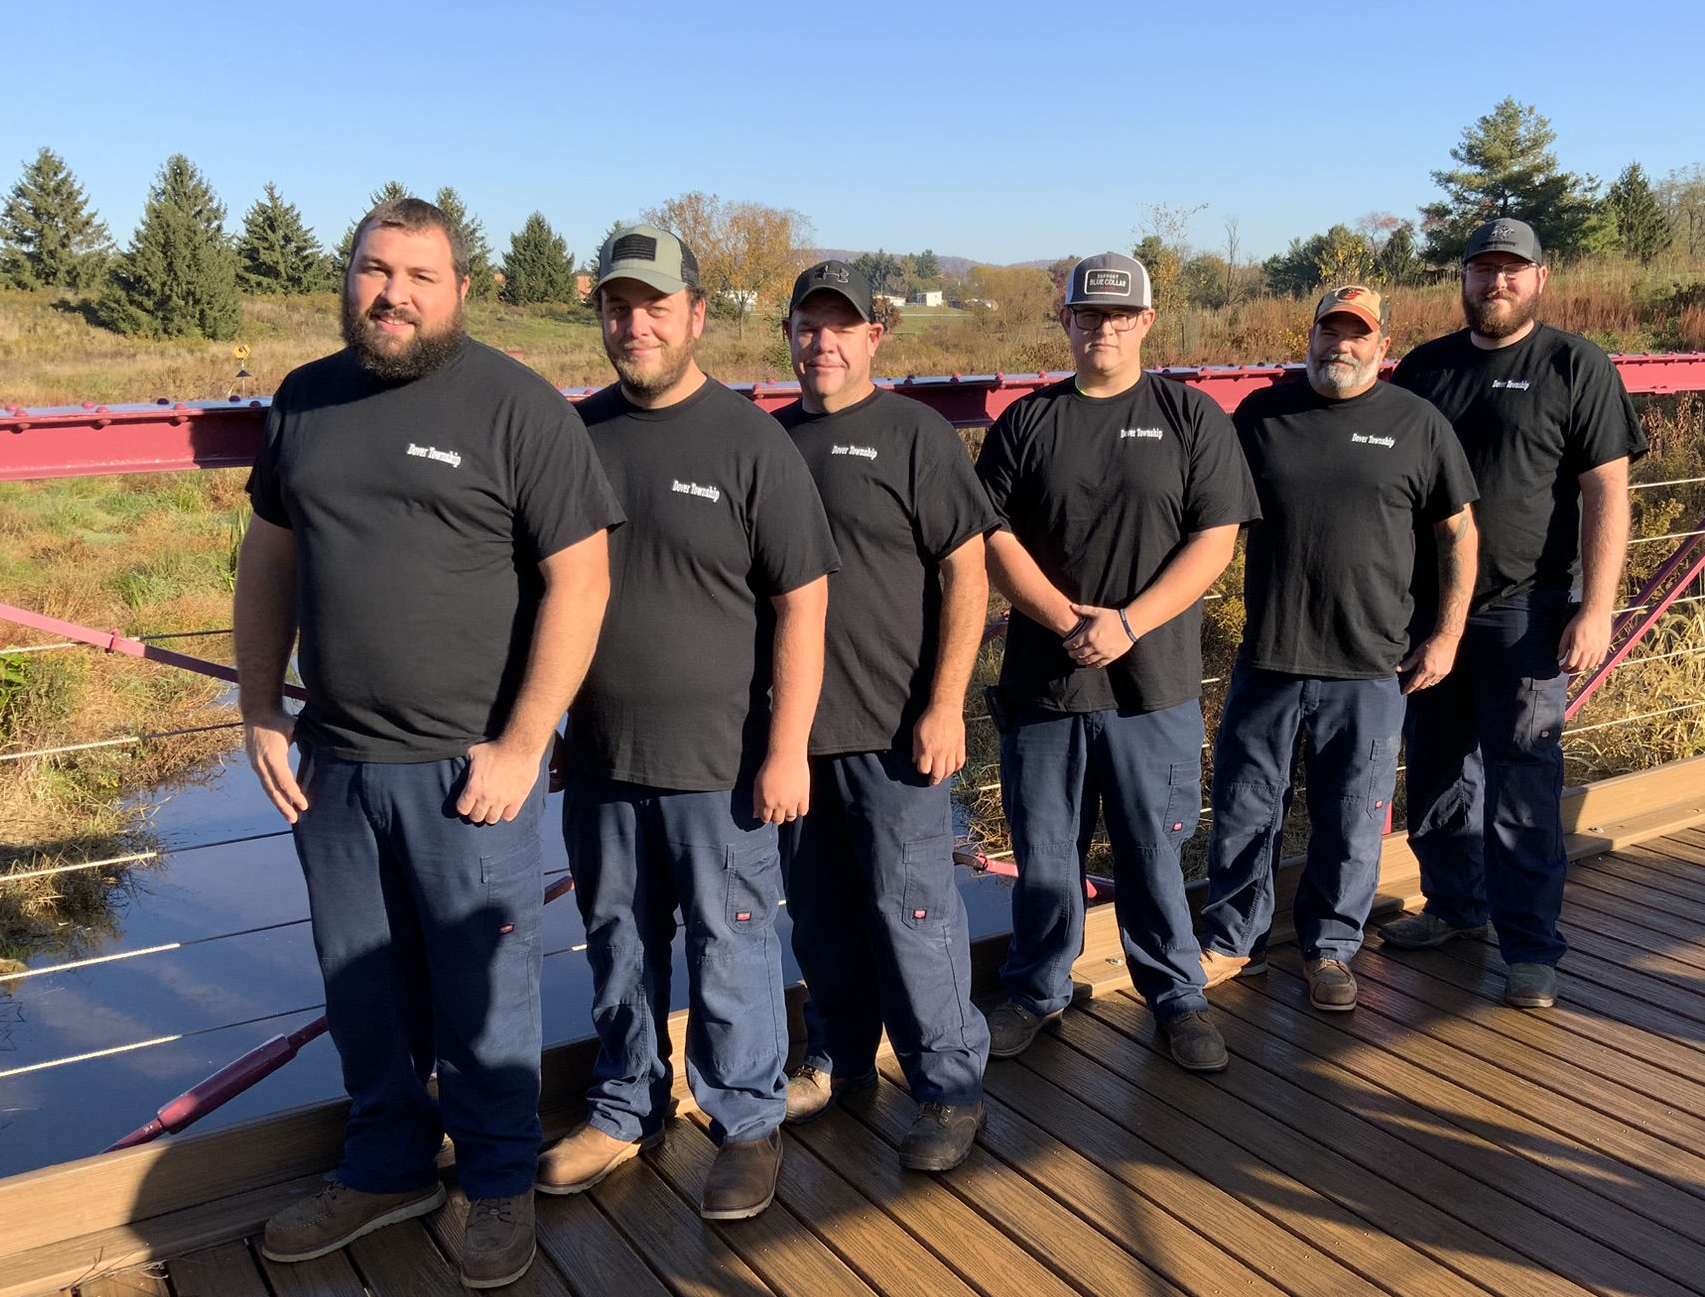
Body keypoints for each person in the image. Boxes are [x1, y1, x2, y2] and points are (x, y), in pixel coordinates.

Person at [238, 196, 619, 1289]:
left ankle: (496, 1185)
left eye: (417, 275)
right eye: (372, 270)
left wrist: (522, 741)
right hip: (336, 763)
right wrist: (260, 708)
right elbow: (268, 561)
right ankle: (386, 1167)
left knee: (484, 992)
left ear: (460, 289)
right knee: (362, 990)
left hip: (469, 771)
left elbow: (580, 579)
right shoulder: (306, 400)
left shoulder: (515, 406)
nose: (391, 293)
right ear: (347, 276)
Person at [538, 225, 837, 1221]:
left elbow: (804, 599)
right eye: (618, 307)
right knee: (617, 940)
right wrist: (544, 729)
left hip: (722, 763)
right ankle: (625, 1109)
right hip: (602, 758)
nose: (635, 324)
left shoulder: (750, 442)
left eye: (655, 305)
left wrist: (788, 746)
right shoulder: (574, 438)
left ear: (696, 314)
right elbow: (547, 596)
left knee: (731, 944)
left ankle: (746, 1122)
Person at [975, 252, 1260, 1072]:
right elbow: (991, 537)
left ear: (1146, 320)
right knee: (1045, 853)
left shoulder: (1190, 417)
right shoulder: (1027, 424)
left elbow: (1216, 537)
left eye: (1118, 315)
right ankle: (1037, 990)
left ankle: (1175, 994)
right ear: (1065, 321)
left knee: (1152, 852)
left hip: (1152, 687)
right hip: (1046, 684)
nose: (1102, 329)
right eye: (1087, 315)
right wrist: (1067, 617)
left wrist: (1129, 622)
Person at [1383, 218, 1647, 1008]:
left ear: (1540, 277)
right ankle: (1456, 906)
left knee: (1522, 781)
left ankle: (1532, 948)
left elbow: (1608, 491)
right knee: (1434, 771)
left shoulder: (1575, 364)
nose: (1495, 283)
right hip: (1429, 612)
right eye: (1481, 269)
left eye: (1511, 270)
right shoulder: (1424, 368)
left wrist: (1596, 609)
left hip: (1527, 609)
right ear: (1460, 278)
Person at [771, 260, 997, 1171]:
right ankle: (840, 1059)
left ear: (876, 337)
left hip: (896, 731)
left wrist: (946, 704)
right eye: (807, 325)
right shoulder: (768, 441)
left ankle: (949, 1087)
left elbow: (967, 573)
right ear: (789, 334)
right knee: (820, 915)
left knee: (915, 914)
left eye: (842, 326)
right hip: (793, 737)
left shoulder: (915, 435)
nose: (822, 342)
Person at [1201, 285, 1477, 1010]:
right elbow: (1208, 520)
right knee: (1244, 807)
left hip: (1369, 664)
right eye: (1330, 333)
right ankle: (1235, 944)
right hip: (1268, 655)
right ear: (1311, 338)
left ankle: (1330, 949)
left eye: (1358, 335)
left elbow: (1458, 536)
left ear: (1382, 347)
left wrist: (1446, 635)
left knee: (1354, 819)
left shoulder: (1418, 423)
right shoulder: (1263, 414)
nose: (1341, 347)